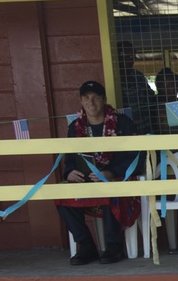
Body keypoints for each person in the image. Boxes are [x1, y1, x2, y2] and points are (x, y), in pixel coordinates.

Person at [57, 80, 141, 265]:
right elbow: (69, 160)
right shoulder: (75, 127)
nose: (91, 103)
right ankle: (86, 245)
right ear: (81, 101)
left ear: (104, 100)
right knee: (61, 198)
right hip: (87, 181)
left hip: (117, 179)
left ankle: (113, 246)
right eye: (86, 98)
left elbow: (136, 157)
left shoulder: (122, 123)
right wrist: (69, 172)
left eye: (96, 98)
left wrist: (111, 173)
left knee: (110, 192)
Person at [116, 41, 156, 135]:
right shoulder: (111, 79)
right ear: (117, 57)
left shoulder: (138, 77)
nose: (131, 60)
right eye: (127, 56)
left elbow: (150, 98)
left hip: (144, 128)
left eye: (133, 57)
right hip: (123, 131)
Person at [152, 67, 178, 135]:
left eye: (170, 85)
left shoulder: (177, 106)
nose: (165, 89)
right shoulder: (152, 104)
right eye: (162, 85)